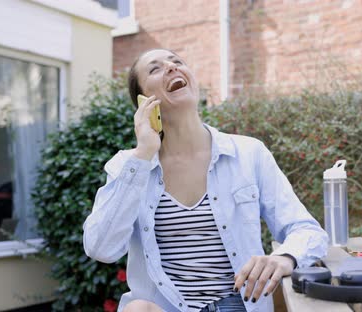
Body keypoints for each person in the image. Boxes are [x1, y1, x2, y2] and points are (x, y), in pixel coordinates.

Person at [82, 48, 329, 312]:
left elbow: (307, 230)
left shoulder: (248, 153)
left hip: (239, 304)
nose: (171, 67)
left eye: (177, 62)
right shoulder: (130, 166)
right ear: (144, 101)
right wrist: (143, 155)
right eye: (155, 68)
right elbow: (100, 248)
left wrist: (285, 257)